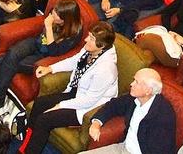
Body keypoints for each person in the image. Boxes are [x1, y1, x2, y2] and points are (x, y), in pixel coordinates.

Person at [22, 22, 118, 154]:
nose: (85, 40)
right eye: (88, 36)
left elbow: (89, 100)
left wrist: (60, 105)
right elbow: (74, 61)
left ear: (101, 46)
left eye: (91, 39)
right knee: (39, 104)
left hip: (87, 107)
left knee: (44, 120)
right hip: (76, 92)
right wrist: (50, 68)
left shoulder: (106, 70)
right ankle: (26, 142)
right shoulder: (90, 49)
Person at [0, 0, 83, 113]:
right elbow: (40, 35)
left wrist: (48, 27)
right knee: (12, 52)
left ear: (65, 20)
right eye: (53, 11)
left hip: (45, 55)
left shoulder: (74, 33)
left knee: (0, 61)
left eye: (56, 14)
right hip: (37, 42)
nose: (52, 14)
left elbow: (53, 52)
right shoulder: (55, 12)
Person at [88, 68, 175, 154]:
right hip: (123, 148)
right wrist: (96, 123)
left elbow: (161, 150)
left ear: (148, 91)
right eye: (134, 80)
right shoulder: (134, 98)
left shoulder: (163, 116)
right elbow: (113, 105)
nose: (131, 84)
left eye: (136, 82)